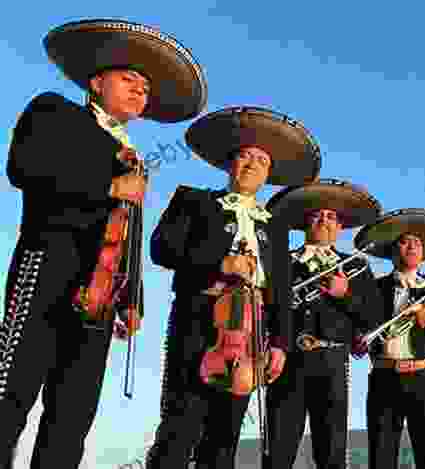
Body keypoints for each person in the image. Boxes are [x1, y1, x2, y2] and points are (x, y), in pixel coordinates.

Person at [0, 18, 207, 469]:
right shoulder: (53, 110)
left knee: (72, 416)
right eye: (129, 79)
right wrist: (109, 186)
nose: (140, 91)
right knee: (9, 395)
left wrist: (132, 297)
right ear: (96, 82)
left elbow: (126, 237)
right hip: (47, 268)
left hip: (101, 297)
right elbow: (24, 167)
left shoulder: (133, 156)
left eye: (146, 88)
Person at [145, 106, 322, 469]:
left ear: (268, 174)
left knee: (224, 437)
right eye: (245, 156)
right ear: (230, 165)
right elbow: (161, 249)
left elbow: (281, 293)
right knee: (180, 426)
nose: (252, 164)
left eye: (261, 160)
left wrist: (280, 344)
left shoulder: (275, 227)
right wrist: (220, 264)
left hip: (252, 334)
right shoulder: (192, 200)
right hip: (197, 323)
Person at [260, 178, 384, 469]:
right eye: (318, 215)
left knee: (331, 451)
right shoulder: (281, 261)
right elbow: (264, 308)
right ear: (306, 223)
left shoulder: (357, 267)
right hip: (285, 359)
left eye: (332, 217)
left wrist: (347, 295)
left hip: (332, 361)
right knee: (277, 450)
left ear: (340, 227)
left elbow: (373, 319)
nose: (324, 220)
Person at [353, 208, 425, 469]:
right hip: (384, 377)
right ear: (394, 252)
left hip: (424, 379)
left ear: (423, 254)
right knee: (381, 456)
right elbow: (358, 324)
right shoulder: (374, 287)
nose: (412, 246)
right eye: (405, 242)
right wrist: (356, 339)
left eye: (417, 243)